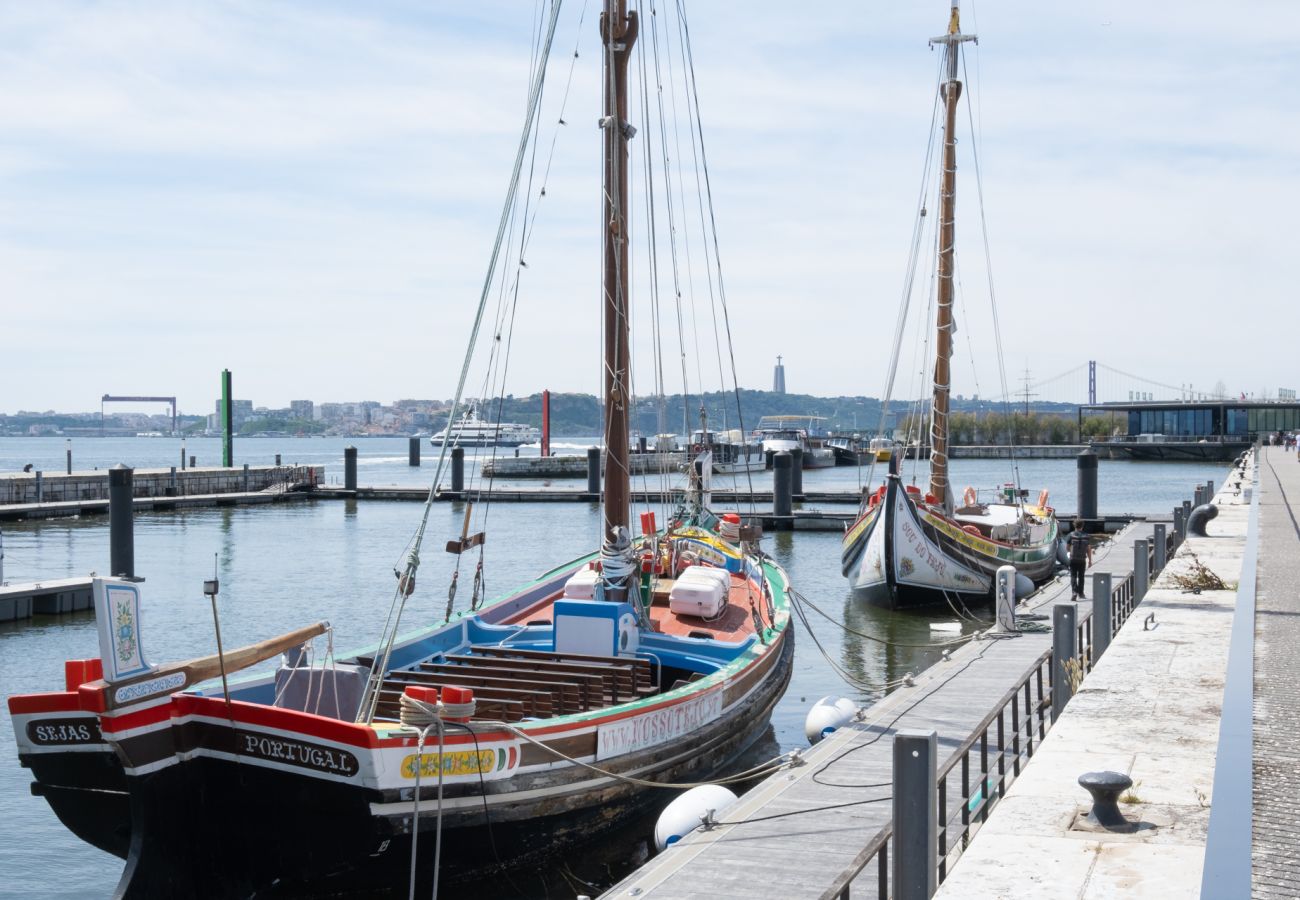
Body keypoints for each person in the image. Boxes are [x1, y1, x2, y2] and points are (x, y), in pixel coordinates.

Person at [1067, 520, 1092, 601]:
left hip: (1073, 558)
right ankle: (1081, 593)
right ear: (1082, 526)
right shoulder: (1086, 536)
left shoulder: (1071, 535)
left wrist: (1069, 552)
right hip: (1082, 559)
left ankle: (1074, 592)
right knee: (1081, 576)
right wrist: (1090, 560)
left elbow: (1067, 547)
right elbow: (1088, 549)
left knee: (1073, 575)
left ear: (1074, 526)